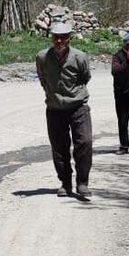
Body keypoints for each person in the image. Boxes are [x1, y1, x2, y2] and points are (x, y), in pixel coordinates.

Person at [36, 22, 93, 197]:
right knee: (59, 147)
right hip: (55, 108)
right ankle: (65, 183)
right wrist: (53, 95)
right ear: (51, 38)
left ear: (70, 38)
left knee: (84, 142)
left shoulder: (80, 57)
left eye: (63, 37)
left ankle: (82, 182)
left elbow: (85, 77)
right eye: (56, 37)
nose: (59, 41)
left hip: (78, 107)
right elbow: (42, 78)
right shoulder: (42, 57)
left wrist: (73, 94)